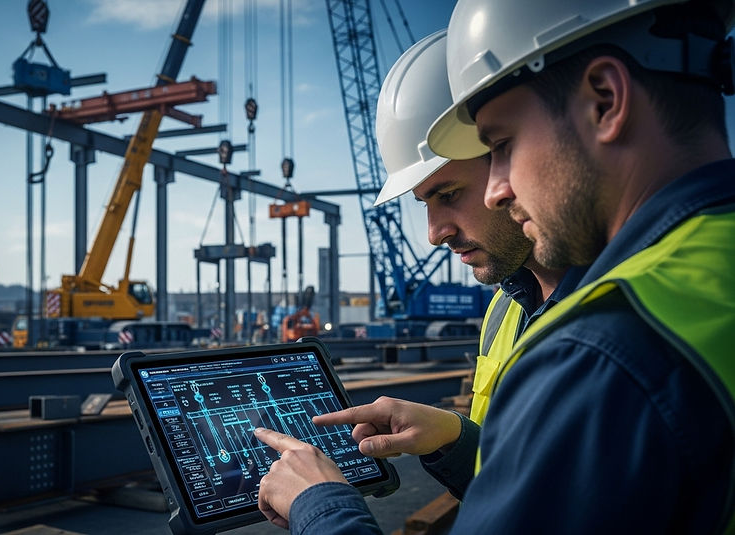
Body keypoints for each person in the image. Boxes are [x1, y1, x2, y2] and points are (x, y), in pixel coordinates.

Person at [259, 0, 735, 533]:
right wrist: (458, 441)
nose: (499, 189)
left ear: (605, 100)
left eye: (501, 145)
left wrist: (321, 506)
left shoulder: (600, 352)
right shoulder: (697, 269)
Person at [251, 29, 573, 531]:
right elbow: (536, 494)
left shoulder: (617, 326)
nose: (433, 234)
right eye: (423, 204)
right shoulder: (507, 308)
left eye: (448, 194)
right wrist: (454, 438)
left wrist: (322, 509)